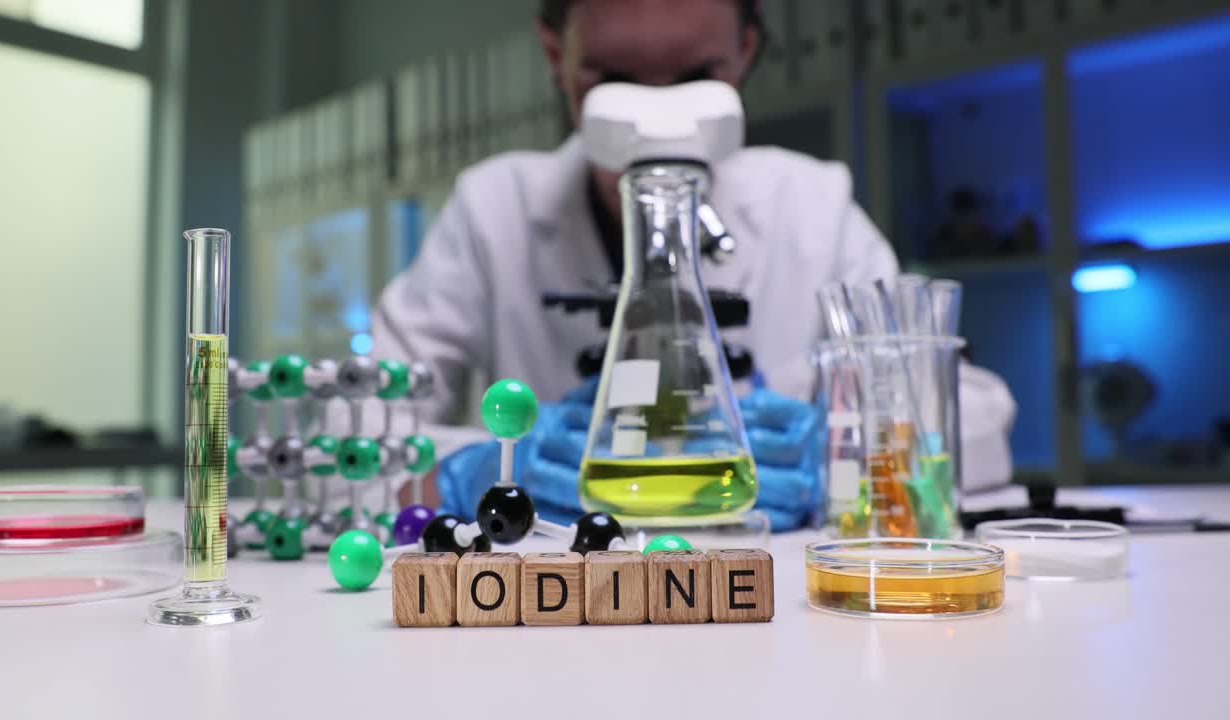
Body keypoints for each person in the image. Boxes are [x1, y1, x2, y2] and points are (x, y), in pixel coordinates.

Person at [368, 0, 1017, 528]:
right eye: (615, 78)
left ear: (746, 54)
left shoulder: (813, 208)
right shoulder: (494, 210)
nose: (657, 115)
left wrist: (841, 453)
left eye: (696, 77)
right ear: (555, 58)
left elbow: (977, 414)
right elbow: (357, 438)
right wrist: (486, 471)